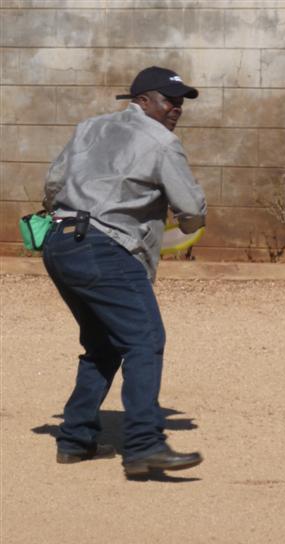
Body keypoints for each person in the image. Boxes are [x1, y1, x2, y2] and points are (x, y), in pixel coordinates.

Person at [42, 66, 207, 478]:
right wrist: (187, 226)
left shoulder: (88, 128)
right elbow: (191, 208)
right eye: (170, 101)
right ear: (143, 100)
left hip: (60, 243)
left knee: (103, 346)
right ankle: (144, 445)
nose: (177, 109)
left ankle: (75, 440)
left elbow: (52, 184)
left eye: (181, 102)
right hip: (106, 249)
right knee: (145, 340)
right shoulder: (162, 142)